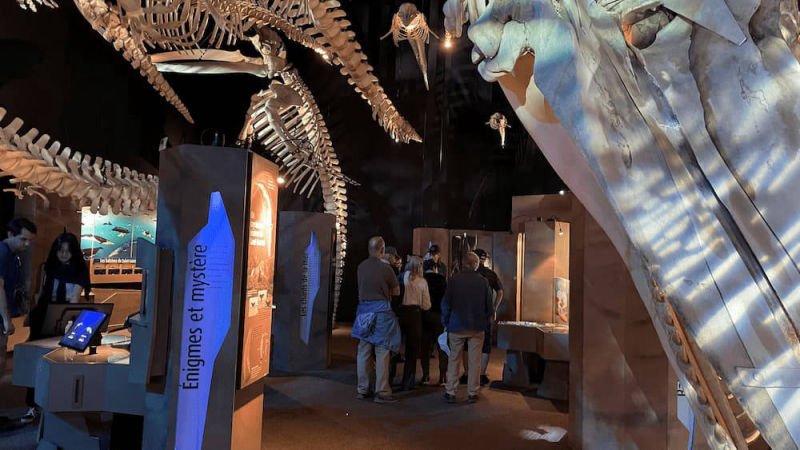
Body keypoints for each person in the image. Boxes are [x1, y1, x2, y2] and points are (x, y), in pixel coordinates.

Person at [351, 236, 402, 403]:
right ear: (382, 250)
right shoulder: (386, 268)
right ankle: (382, 391)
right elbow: (396, 291)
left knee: (363, 351)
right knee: (382, 351)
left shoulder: (361, 267)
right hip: (382, 313)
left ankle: (362, 389)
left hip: (363, 312)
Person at [441, 252, 492, 403]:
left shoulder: (454, 280)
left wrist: (446, 321)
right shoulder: (483, 282)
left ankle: (451, 391)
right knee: (475, 361)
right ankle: (472, 392)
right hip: (477, 326)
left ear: (463, 264)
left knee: (454, 358)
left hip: (456, 325)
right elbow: (489, 306)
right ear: (476, 265)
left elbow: (446, 303)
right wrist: (486, 320)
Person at [0, 218, 37, 420]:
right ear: (9, 235)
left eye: (29, 240)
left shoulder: (13, 256)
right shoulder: (3, 252)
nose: (27, 244)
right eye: (23, 239)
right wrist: (6, 318)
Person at [28, 232, 91, 341]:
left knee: (59, 342)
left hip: (65, 310)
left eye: (68, 251)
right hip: (44, 309)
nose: (64, 254)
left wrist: (69, 319)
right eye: (61, 250)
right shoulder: (49, 266)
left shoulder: (79, 269)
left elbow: (74, 298)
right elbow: (40, 292)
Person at [397, 256, 430, 390]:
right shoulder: (422, 282)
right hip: (414, 315)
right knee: (412, 350)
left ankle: (388, 378)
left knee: (394, 347)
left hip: (400, 313)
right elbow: (426, 305)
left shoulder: (401, 277)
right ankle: (408, 381)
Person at [474, 248, 504, 386]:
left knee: (468, 343)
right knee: (485, 344)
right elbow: (500, 291)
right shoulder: (491, 274)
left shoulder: (468, 273)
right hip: (486, 313)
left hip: (469, 313)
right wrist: (495, 307)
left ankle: (468, 374)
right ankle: (481, 374)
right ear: (485, 259)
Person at [421, 260, 447, 386]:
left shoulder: (422, 280)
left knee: (425, 347)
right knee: (442, 347)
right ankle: (442, 377)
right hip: (439, 315)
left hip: (425, 315)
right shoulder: (441, 279)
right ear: (435, 268)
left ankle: (426, 376)